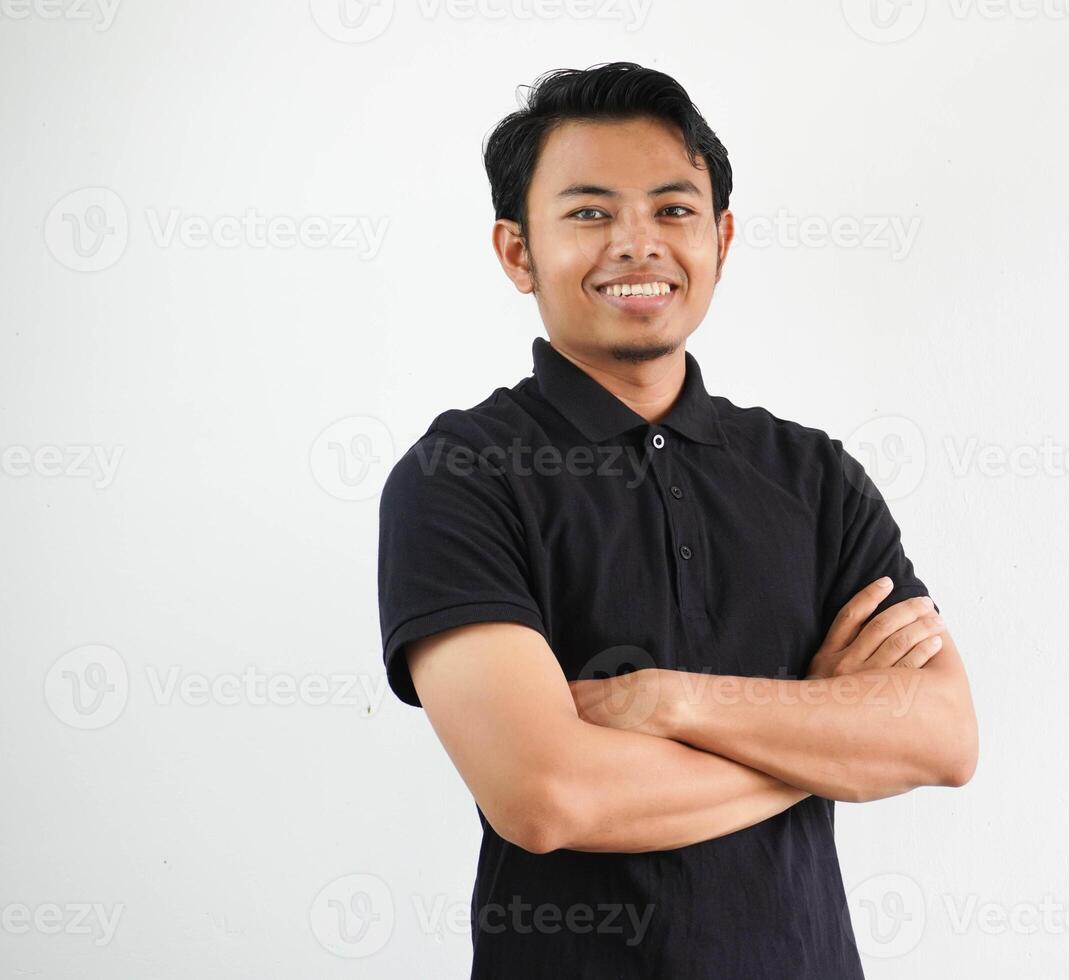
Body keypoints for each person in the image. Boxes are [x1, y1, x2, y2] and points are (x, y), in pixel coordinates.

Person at [377, 60, 977, 979]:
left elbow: (942, 737)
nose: (637, 243)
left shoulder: (811, 474)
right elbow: (546, 796)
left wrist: (676, 701)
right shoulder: (461, 474)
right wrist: (822, 733)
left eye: (673, 209)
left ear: (721, 238)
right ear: (516, 251)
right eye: (587, 213)